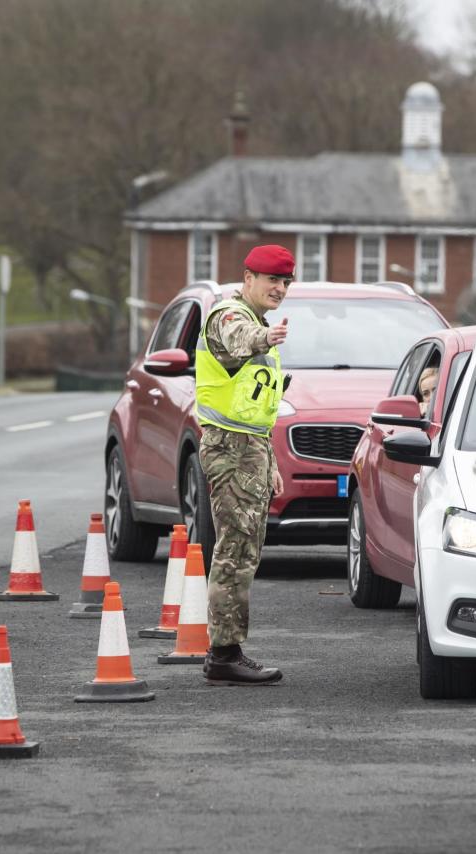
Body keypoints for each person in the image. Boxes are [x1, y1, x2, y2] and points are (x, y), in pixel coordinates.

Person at [195, 245, 294, 685]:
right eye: (272, 279)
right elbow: (237, 340)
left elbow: (255, 407)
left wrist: (269, 459)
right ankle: (223, 655)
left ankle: (227, 650)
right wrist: (262, 339)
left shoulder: (259, 322)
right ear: (248, 278)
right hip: (230, 451)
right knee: (233, 551)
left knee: (245, 550)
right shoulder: (229, 316)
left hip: (248, 450)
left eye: (286, 282)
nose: (280, 288)